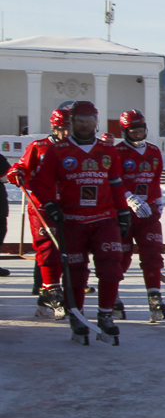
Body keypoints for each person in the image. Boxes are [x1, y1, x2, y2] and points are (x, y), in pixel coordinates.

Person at [24, 99, 131, 343]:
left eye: (89, 120)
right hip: (72, 220)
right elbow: (39, 182)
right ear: (72, 122)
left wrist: (123, 213)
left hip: (104, 219)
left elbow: (116, 183)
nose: (85, 125)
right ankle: (77, 316)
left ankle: (105, 315)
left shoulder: (107, 151)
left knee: (111, 266)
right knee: (75, 272)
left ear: (96, 122)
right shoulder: (58, 150)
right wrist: (50, 203)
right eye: (80, 121)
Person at [9, 108, 70, 314]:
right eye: (61, 129)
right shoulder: (39, 146)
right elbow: (21, 166)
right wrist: (16, 171)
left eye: (68, 128)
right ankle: (52, 289)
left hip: (68, 204)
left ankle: (47, 293)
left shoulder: (75, 148)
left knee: (66, 249)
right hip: (42, 204)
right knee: (48, 248)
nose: (65, 133)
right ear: (54, 127)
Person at [112, 110, 165, 321]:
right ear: (125, 131)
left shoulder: (153, 151)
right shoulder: (117, 152)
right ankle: (113, 295)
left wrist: (159, 200)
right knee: (121, 256)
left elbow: (155, 179)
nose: (137, 134)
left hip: (149, 212)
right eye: (133, 131)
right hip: (125, 213)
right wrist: (129, 199)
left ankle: (154, 295)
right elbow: (113, 180)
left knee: (153, 254)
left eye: (141, 130)